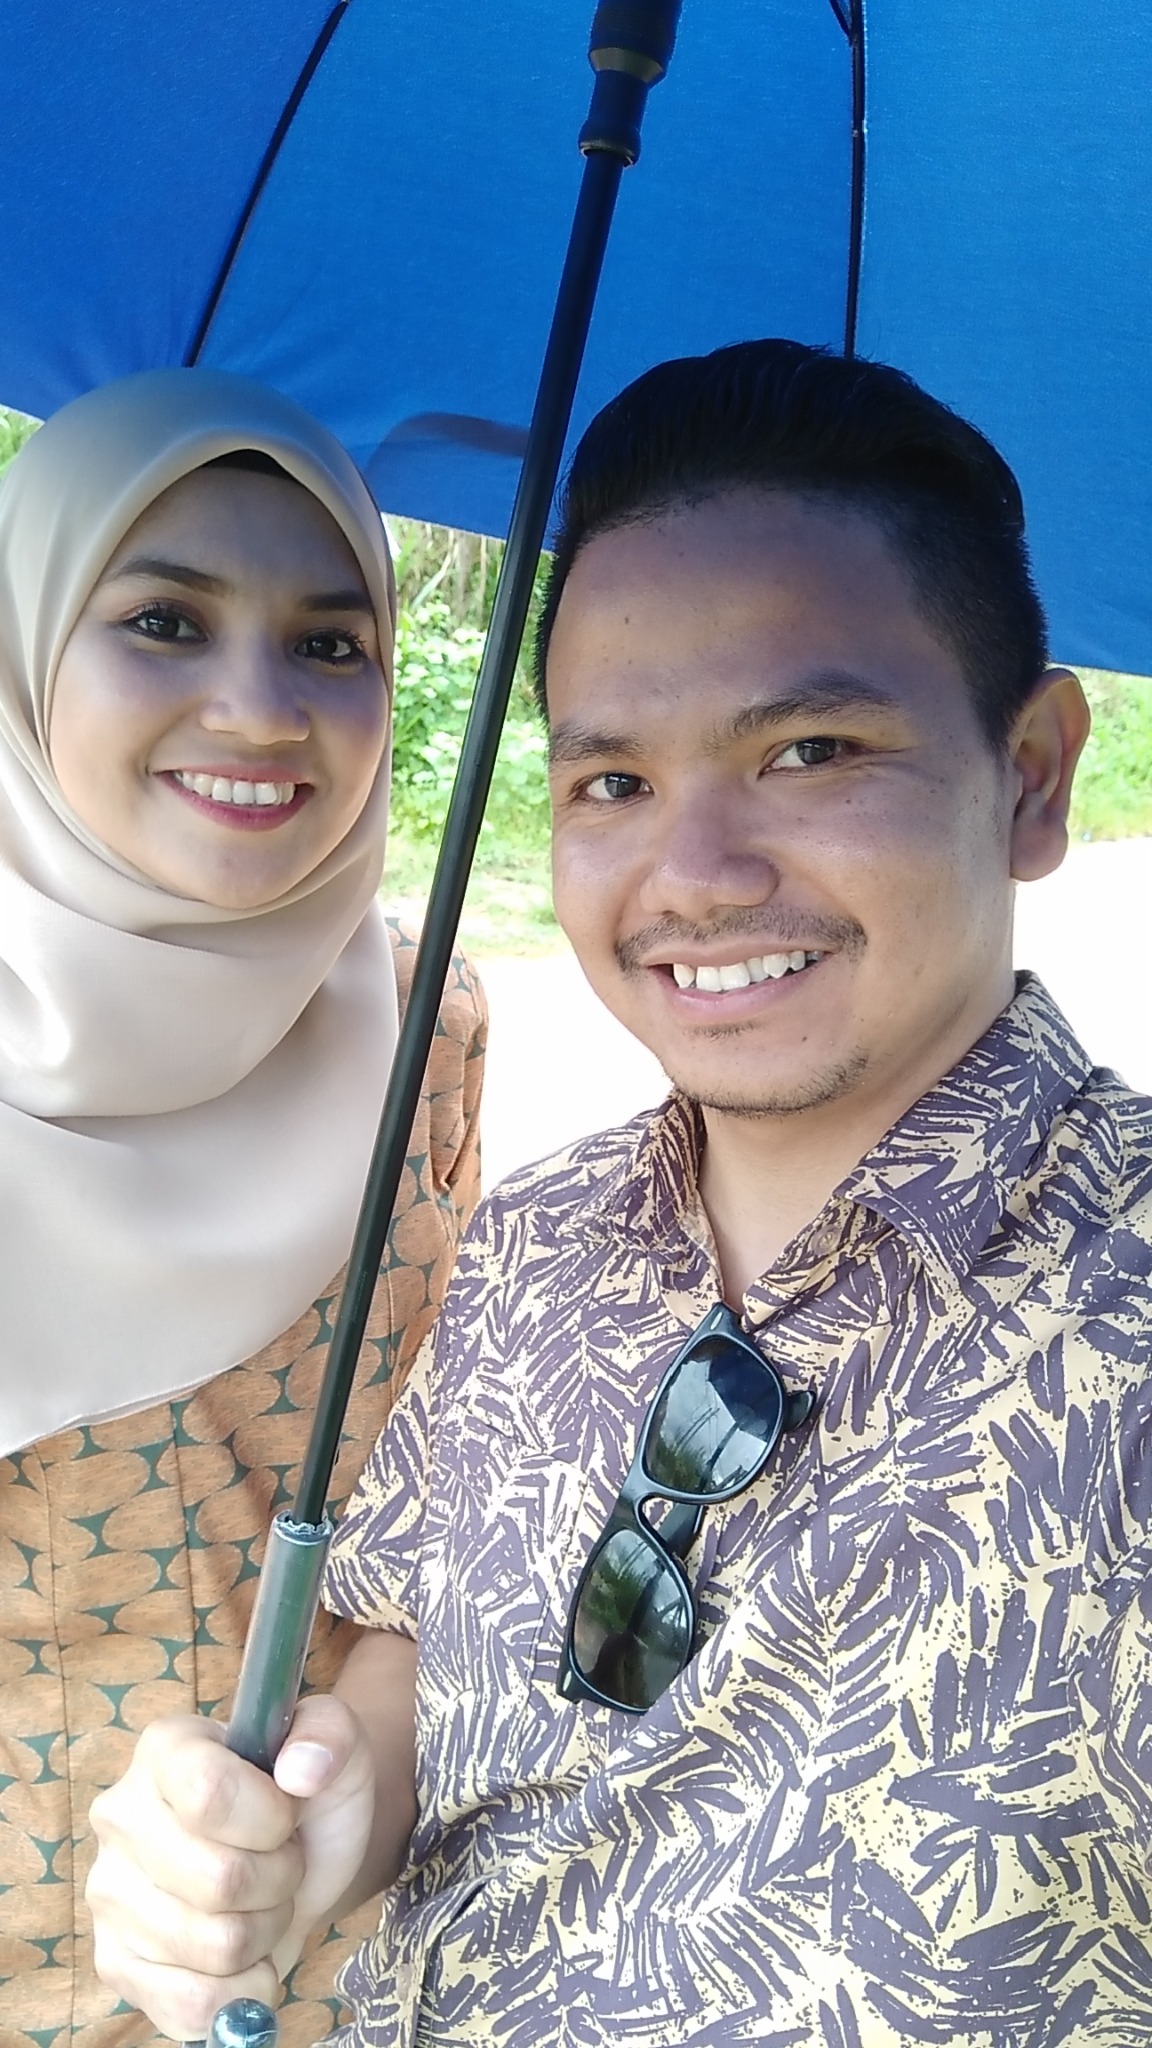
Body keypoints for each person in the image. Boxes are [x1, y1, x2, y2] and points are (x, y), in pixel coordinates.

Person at [88, 341, 1152, 2047]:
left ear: (1030, 771)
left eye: (810, 749)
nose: (696, 877)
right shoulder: (540, 1236)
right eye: (613, 783)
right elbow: (417, 1646)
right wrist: (327, 1818)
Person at [0, 369, 486, 2048]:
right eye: (164, 622)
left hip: (329, 1949)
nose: (262, 709)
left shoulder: (428, 1024)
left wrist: (354, 1776)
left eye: (331, 644)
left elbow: (443, 1508)